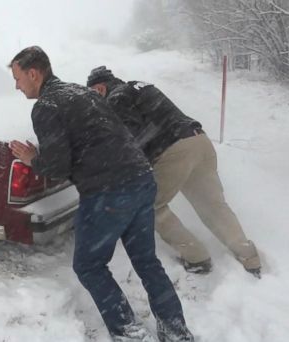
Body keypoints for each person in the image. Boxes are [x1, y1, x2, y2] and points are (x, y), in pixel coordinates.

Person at [9, 46, 194, 342]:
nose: (17, 86)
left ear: (34, 73)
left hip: (109, 191)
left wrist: (33, 159)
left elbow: (57, 166)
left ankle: (129, 333)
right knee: (147, 262)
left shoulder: (46, 106)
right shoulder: (85, 94)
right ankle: (176, 331)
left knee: (89, 264)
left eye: (18, 78)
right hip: (142, 178)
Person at [86, 66, 261, 277]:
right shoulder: (136, 87)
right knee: (213, 205)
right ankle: (249, 257)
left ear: (100, 87)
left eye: (94, 93)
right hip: (199, 141)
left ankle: (196, 257)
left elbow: (130, 138)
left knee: (148, 205)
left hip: (175, 149)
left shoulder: (117, 98)